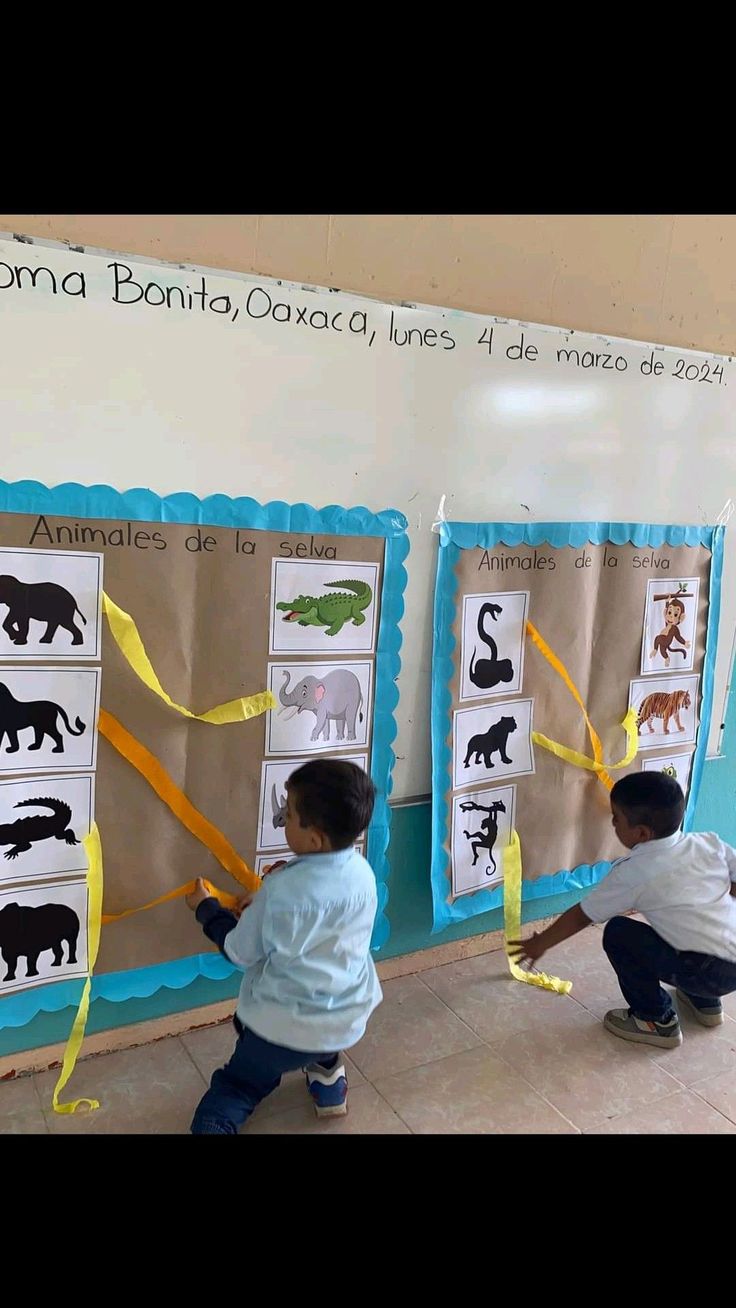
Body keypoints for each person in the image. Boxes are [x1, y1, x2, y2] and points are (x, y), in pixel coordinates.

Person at [186, 759, 382, 1133]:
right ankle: (328, 1083)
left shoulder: (279, 894)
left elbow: (237, 952)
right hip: (345, 1016)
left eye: (289, 814)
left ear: (315, 839)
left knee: (237, 1086)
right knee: (321, 1041)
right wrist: (265, 901)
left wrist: (206, 909)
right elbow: (317, 916)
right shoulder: (362, 873)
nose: (281, 819)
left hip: (281, 1032)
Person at [509, 772, 736, 1049]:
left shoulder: (635, 873)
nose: (613, 822)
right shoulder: (707, 842)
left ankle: (655, 1019)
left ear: (641, 833)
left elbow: (583, 914)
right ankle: (705, 1004)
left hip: (705, 972)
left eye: (616, 817)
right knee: (679, 926)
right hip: (730, 960)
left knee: (620, 933)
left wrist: (540, 943)